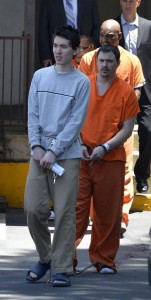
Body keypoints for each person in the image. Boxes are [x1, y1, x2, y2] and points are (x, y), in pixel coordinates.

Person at [24, 25, 90, 287]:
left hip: (67, 154)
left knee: (64, 213)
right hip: (39, 152)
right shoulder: (40, 76)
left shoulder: (81, 82)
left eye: (64, 47)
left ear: (75, 51)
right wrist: (37, 146)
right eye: (55, 45)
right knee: (32, 209)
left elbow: (76, 122)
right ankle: (46, 257)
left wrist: (54, 150)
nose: (58, 51)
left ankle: (62, 268)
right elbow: (33, 115)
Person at [74, 44, 140, 274]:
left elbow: (127, 129)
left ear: (117, 63)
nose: (105, 65)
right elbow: (73, 120)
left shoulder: (126, 91)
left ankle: (104, 259)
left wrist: (105, 147)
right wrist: (80, 144)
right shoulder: (83, 85)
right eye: (101, 61)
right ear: (96, 61)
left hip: (111, 159)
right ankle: (65, 260)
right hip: (81, 157)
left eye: (110, 61)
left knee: (108, 214)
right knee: (75, 212)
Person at [78, 19, 145, 233]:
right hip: (91, 130)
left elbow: (136, 90)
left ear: (120, 37)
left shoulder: (131, 60)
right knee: (88, 177)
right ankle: (95, 219)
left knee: (123, 176)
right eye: (103, 35)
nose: (106, 39)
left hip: (119, 131)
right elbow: (79, 92)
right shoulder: (90, 58)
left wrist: (122, 113)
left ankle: (120, 218)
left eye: (111, 36)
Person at [115, 0, 151, 193]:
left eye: (131, 0)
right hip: (119, 89)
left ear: (138, 2)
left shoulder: (148, 26)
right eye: (124, 0)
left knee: (148, 129)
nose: (127, 4)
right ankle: (119, 176)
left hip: (145, 88)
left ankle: (142, 175)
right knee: (116, 132)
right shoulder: (112, 26)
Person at [38, 0, 100, 67]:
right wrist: (46, 56)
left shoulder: (90, 1)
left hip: (84, 51)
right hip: (58, 52)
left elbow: (96, 26)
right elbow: (43, 29)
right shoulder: (48, 2)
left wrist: (92, 49)